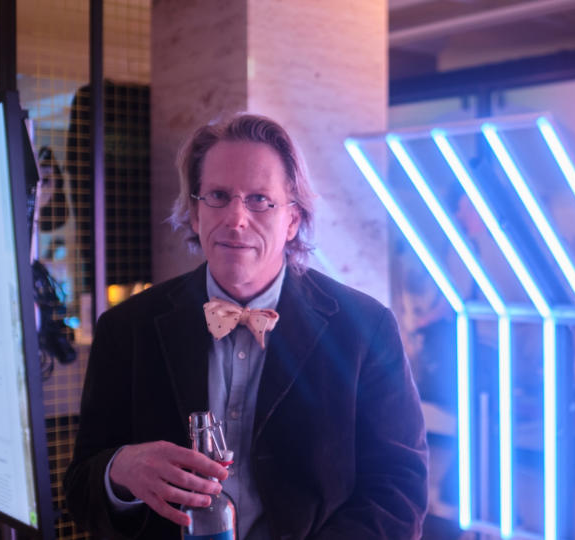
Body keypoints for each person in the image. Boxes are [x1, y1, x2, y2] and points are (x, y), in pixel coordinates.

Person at [64, 113, 429, 539]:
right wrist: (118, 470)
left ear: (292, 219)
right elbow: (79, 491)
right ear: (195, 213)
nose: (235, 219)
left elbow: (399, 493)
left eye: (259, 199)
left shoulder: (366, 328)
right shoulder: (125, 328)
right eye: (217, 196)